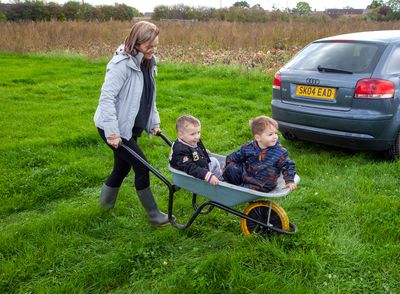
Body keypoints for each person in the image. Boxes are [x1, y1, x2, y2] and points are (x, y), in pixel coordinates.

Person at [94, 21, 170, 226]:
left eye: (156, 45)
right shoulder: (121, 65)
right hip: (114, 128)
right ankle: (154, 215)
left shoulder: (147, 62)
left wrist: (154, 122)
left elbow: (148, 97)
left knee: (122, 168)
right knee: (142, 167)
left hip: (129, 127)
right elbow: (106, 99)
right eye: (149, 46)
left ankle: (104, 208)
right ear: (137, 42)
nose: (153, 50)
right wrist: (112, 133)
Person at [222, 115, 296, 193]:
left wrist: (289, 180)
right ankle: (229, 184)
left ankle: (235, 189)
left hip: (262, 184)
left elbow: (288, 165)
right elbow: (234, 157)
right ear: (258, 138)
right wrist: (227, 166)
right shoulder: (249, 148)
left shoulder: (279, 152)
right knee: (231, 168)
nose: (275, 137)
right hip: (246, 175)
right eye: (270, 134)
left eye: (275, 133)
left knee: (242, 189)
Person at [169, 115, 222, 186]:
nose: (197, 136)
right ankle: (220, 182)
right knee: (214, 162)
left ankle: (218, 179)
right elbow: (189, 167)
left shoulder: (192, 140)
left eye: (198, 132)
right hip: (191, 174)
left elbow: (195, 149)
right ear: (180, 134)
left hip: (200, 165)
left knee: (214, 160)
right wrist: (206, 175)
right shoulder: (180, 150)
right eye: (193, 134)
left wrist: (203, 151)